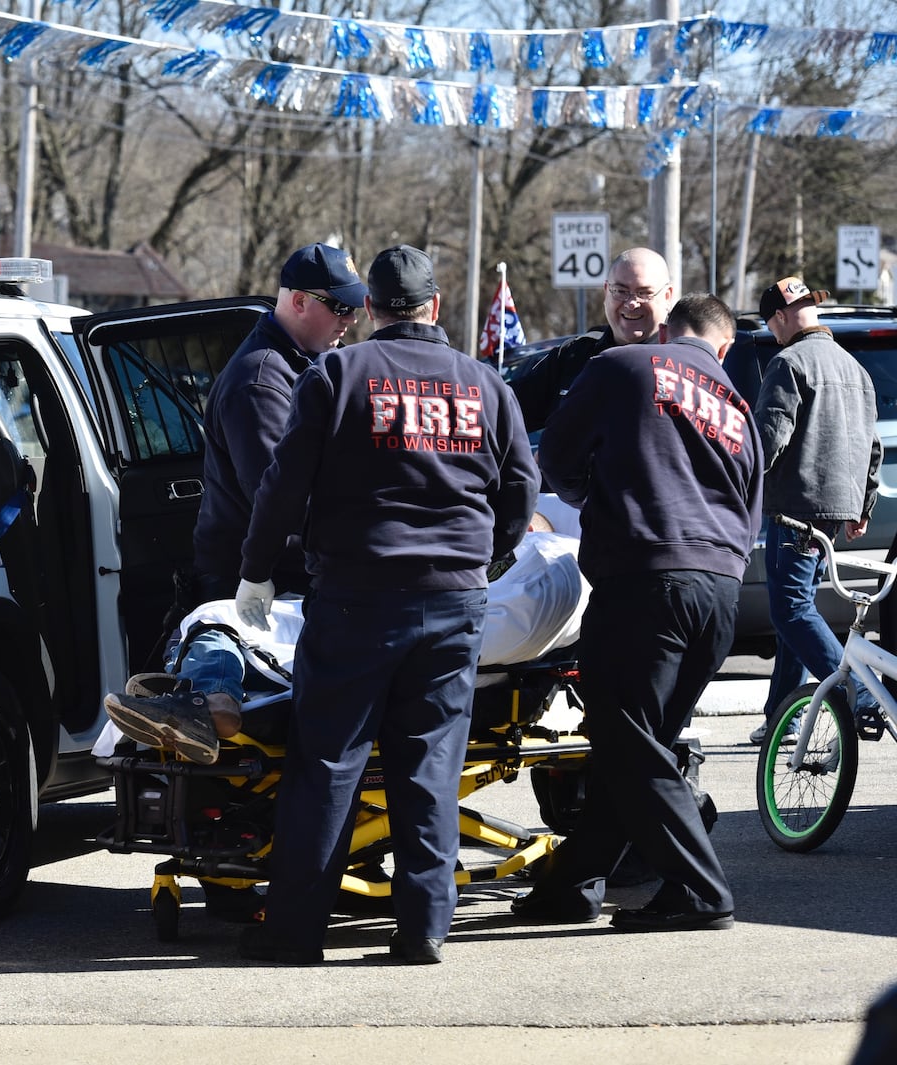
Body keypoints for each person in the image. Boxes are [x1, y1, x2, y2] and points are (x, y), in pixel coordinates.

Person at [233, 245, 539, 965]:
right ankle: (425, 926)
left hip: (355, 600)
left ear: (369, 308)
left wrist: (255, 573)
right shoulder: (484, 384)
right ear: (434, 307)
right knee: (430, 764)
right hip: (455, 601)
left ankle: (296, 930)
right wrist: (484, 559)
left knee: (329, 763)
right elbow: (522, 490)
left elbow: (283, 484)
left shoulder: (339, 374)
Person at [512, 293, 762, 932]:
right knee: (635, 750)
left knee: (628, 744)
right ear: (722, 348)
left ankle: (702, 891)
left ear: (671, 331)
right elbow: (749, 511)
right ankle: (570, 887)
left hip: (645, 581)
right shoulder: (737, 409)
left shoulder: (626, 365)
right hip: (720, 594)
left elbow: (557, 458)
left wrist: (592, 493)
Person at [102, 242, 365, 764]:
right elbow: (278, 496)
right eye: (340, 308)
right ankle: (202, 700)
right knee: (225, 628)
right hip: (257, 573)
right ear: (297, 303)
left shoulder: (307, 367)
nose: (351, 320)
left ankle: (201, 698)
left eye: (355, 308)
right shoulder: (262, 380)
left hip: (287, 565)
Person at [749, 276, 882, 745]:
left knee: (789, 609)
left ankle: (862, 693)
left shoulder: (788, 362)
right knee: (796, 607)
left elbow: (769, 440)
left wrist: (738, 482)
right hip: (835, 505)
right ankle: (780, 717)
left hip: (794, 507)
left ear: (781, 317)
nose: (774, 334)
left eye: (772, 325)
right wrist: (861, 506)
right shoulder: (856, 369)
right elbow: (874, 448)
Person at [510, 247, 676, 431]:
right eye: (620, 290)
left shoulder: (683, 364)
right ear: (606, 291)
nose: (631, 303)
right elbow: (506, 412)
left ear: (667, 296)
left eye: (644, 293)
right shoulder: (573, 355)